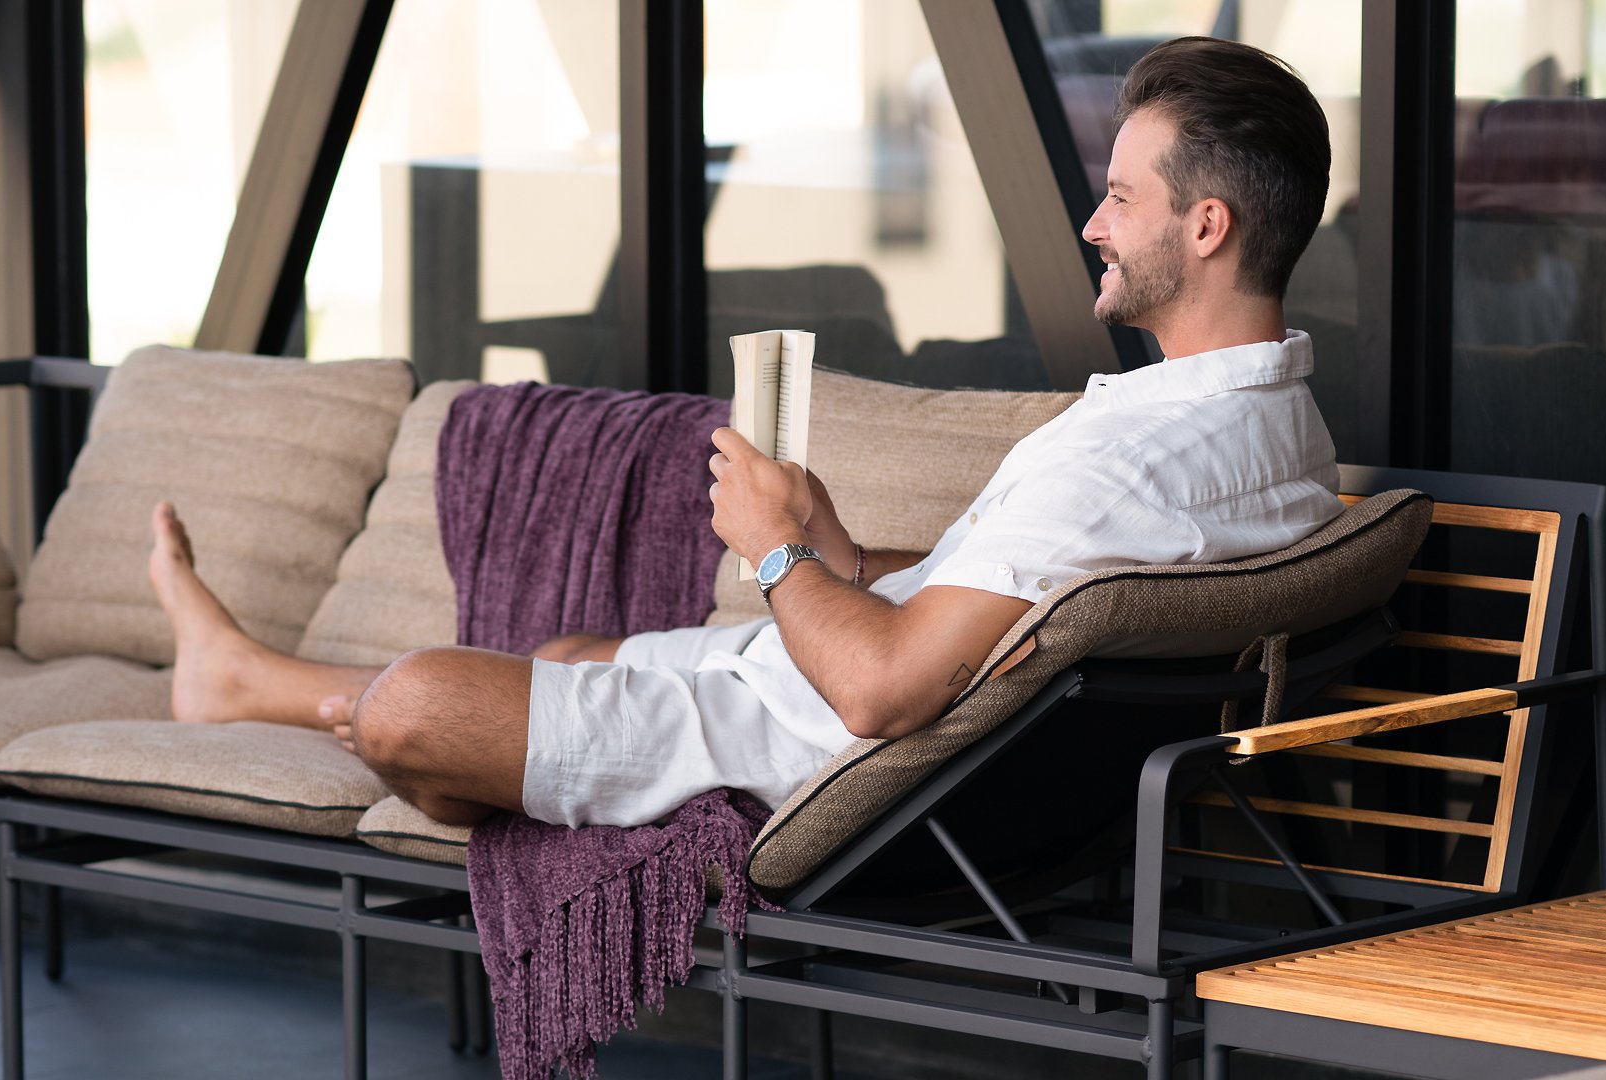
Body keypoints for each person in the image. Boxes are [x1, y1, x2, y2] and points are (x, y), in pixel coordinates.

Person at [145, 35, 1340, 831]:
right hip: (814, 689)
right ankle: (251, 682)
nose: (1091, 223)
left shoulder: (1129, 463)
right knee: (563, 652)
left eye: (1121, 197)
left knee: (421, 703)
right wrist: (846, 558)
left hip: (795, 749)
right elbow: (1015, 606)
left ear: (1207, 227)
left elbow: (878, 693)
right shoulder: (1272, 431)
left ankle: (335, 712)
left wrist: (776, 551)